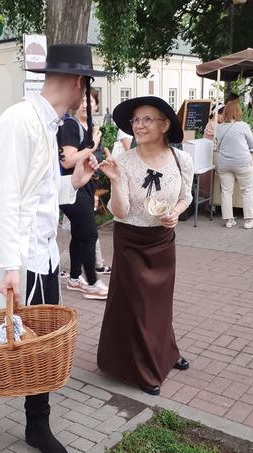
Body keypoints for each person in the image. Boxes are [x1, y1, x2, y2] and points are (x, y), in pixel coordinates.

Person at [0, 43, 102, 453]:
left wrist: (72, 182)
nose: (85, 98)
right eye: (87, 87)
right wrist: (9, 267)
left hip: (40, 256)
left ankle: (37, 426)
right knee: (1, 346)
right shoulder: (19, 122)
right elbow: (3, 200)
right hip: (17, 261)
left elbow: (35, 195)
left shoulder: (45, 123)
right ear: (79, 82)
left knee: (39, 343)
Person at [96, 96, 193, 396]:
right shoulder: (124, 162)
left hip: (163, 241)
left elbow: (186, 196)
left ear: (165, 125)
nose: (139, 125)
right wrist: (113, 181)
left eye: (147, 119)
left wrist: (176, 213)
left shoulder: (182, 160)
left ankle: (167, 351)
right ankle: (145, 368)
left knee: (160, 302)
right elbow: (121, 212)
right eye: (136, 120)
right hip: (131, 241)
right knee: (138, 305)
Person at [58, 88, 108, 300]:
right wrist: (92, 146)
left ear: (96, 104)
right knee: (89, 234)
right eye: (82, 101)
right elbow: (67, 160)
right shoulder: (70, 126)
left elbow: (91, 163)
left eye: (91, 101)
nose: (86, 105)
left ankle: (75, 278)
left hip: (86, 188)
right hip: (71, 187)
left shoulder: (91, 129)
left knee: (79, 234)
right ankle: (93, 283)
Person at [215, 100, 253, 229]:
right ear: (237, 112)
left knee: (226, 192)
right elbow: (252, 144)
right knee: (247, 190)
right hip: (242, 163)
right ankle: (248, 220)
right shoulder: (243, 126)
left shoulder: (220, 127)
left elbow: (218, 144)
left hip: (224, 163)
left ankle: (229, 220)